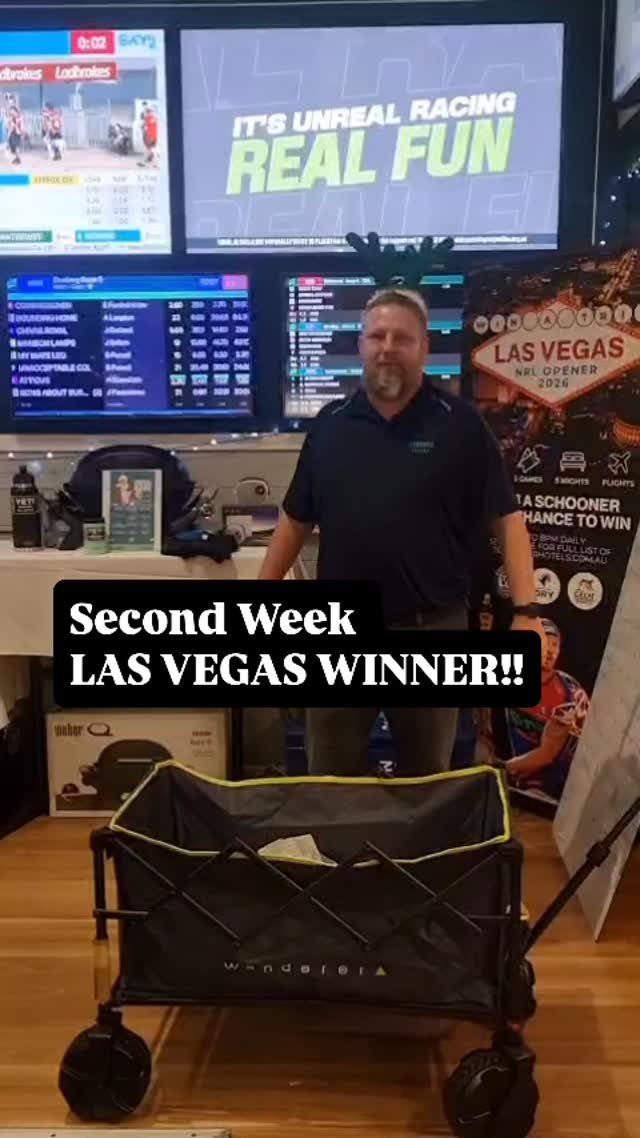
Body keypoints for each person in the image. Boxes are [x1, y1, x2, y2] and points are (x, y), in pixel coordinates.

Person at [259, 287, 544, 776]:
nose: (387, 347)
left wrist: (527, 612)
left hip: (431, 629)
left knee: (426, 781)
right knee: (328, 779)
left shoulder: (462, 425)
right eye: (377, 336)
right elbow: (295, 518)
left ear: (424, 348)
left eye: (402, 338)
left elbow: (508, 520)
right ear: (361, 345)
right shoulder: (330, 425)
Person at [504, 618, 590, 802]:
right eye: (544, 643)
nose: (550, 651)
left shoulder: (567, 693)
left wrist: (501, 768)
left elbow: (547, 755)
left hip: (549, 790)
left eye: (555, 645)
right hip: (516, 779)